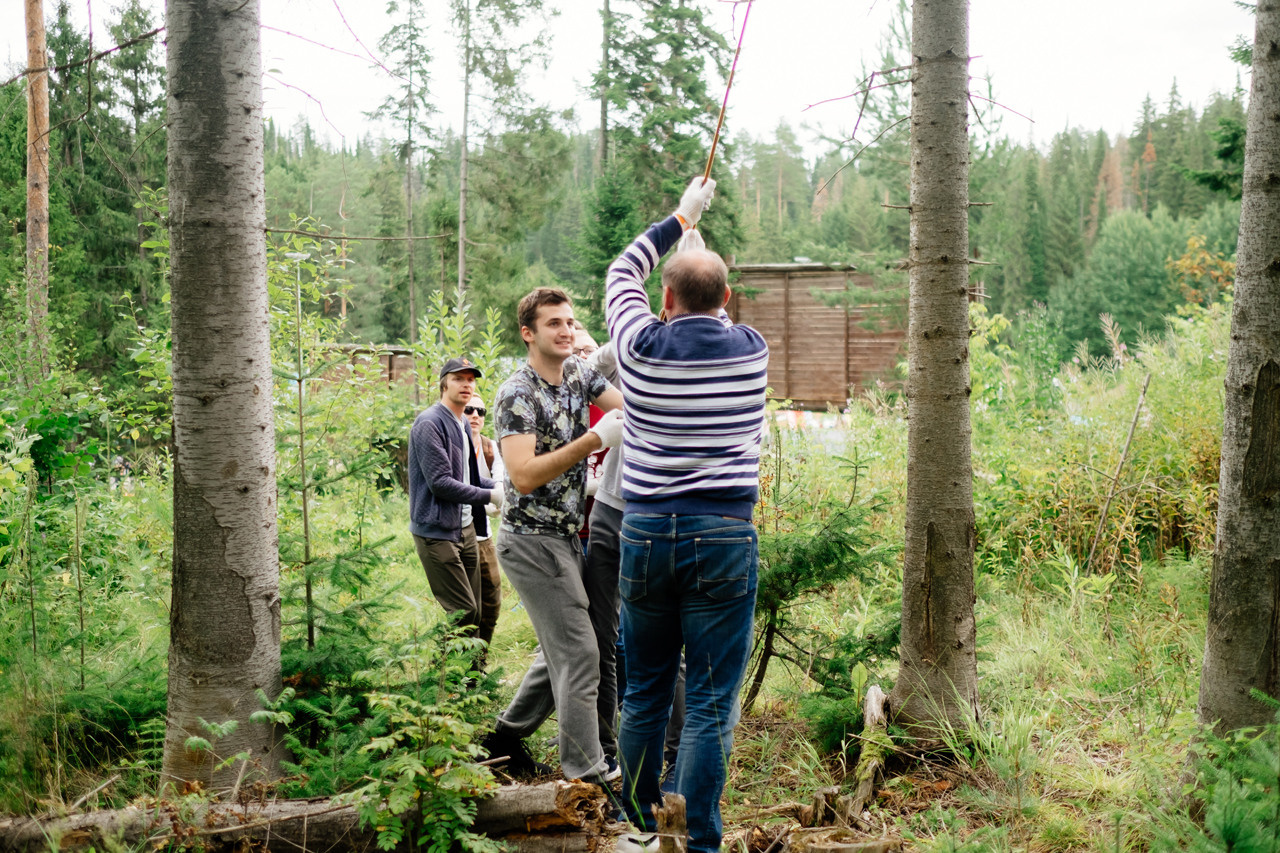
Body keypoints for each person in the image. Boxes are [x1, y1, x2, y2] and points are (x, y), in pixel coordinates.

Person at [605, 177, 769, 853]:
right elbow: (711, 315)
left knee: (643, 691)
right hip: (725, 535)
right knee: (705, 700)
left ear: (664, 300)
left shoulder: (639, 349)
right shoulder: (750, 349)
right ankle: (697, 838)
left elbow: (622, 271)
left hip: (645, 532)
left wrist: (680, 218)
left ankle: (640, 825)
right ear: (727, 301)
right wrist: (701, 259)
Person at [482, 287, 626, 788]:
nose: (566, 331)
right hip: (529, 541)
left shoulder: (579, 373)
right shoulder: (516, 394)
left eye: (570, 322)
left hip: (566, 538)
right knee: (581, 654)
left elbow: (624, 407)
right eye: (554, 324)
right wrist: (593, 441)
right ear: (529, 333)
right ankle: (587, 775)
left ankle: (502, 738)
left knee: (560, 652)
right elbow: (521, 476)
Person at [408, 358, 504, 640]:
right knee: (463, 612)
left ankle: (470, 681)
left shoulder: (462, 422)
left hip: (466, 529)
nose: (466, 384)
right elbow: (441, 484)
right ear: (444, 383)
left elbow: (469, 478)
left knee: (475, 612)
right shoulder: (429, 423)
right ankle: (442, 678)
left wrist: (503, 486)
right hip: (436, 532)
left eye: (471, 379)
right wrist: (490, 495)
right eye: (459, 378)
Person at [465, 394, 503, 663]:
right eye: (469, 409)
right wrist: (488, 497)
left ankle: (479, 662)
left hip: (485, 534)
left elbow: (501, 481)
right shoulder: (454, 443)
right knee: (468, 608)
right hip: (461, 533)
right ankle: (459, 669)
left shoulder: (491, 448)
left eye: (481, 410)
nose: (475, 415)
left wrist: (497, 499)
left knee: (491, 603)